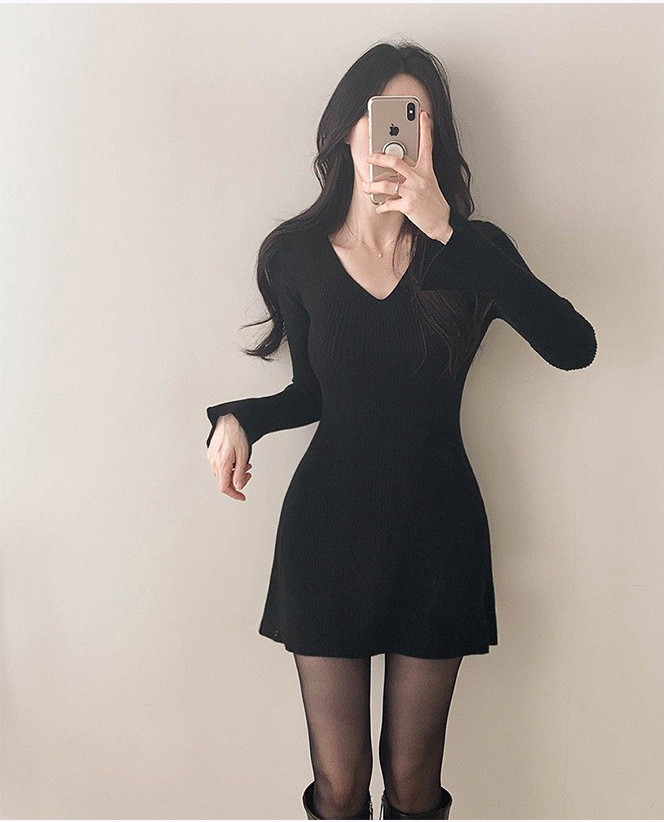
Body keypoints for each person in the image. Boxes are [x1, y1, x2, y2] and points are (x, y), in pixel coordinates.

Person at [205, 41, 596, 821]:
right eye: (384, 114)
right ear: (346, 128)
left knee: (413, 788)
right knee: (340, 786)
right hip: (326, 536)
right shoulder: (295, 257)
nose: (397, 133)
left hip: (438, 536)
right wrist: (238, 417)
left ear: (433, 137)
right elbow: (314, 393)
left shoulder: (474, 252)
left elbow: (573, 346)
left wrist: (448, 231)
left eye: (417, 118)